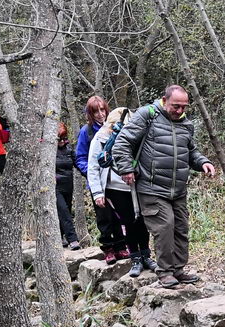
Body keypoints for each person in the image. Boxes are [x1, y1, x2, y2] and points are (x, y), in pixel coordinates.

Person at [112, 85, 217, 288]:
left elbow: (190, 150)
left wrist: (203, 162)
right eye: (175, 106)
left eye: (183, 107)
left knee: (181, 229)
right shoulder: (147, 115)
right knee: (165, 228)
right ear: (164, 100)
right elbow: (122, 142)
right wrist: (126, 169)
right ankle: (165, 272)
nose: (179, 111)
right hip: (151, 187)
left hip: (177, 189)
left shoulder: (186, 123)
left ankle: (178, 270)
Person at [88, 107, 155, 277]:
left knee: (142, 220)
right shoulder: (101, 137)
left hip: (137, 183)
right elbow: (93, 166)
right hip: (115, 186)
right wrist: (97, 193)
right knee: (129, 221)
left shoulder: (136, 135)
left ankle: (146, 255)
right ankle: (135, 258)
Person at [74, 95, 128, 260]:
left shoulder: (115, 127)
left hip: (116, 180)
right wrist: (91, 174)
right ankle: (108, 248)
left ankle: (121, 245)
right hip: (97, 181)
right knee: (104, 216)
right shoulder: (87, 132)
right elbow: (80, 158)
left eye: (102, 110)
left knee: (119, 215)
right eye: (95, 111)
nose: (100, 114)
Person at [54, 123, 81, 249]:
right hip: (55, 187)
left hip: (68, 186)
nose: (62, 141)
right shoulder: (48, 151)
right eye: (59, 139)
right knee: (64, 212)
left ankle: (60, 237)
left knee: (66, 211)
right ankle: (73, 239)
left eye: (64, 138)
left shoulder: (69, 149)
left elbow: (78, 164)